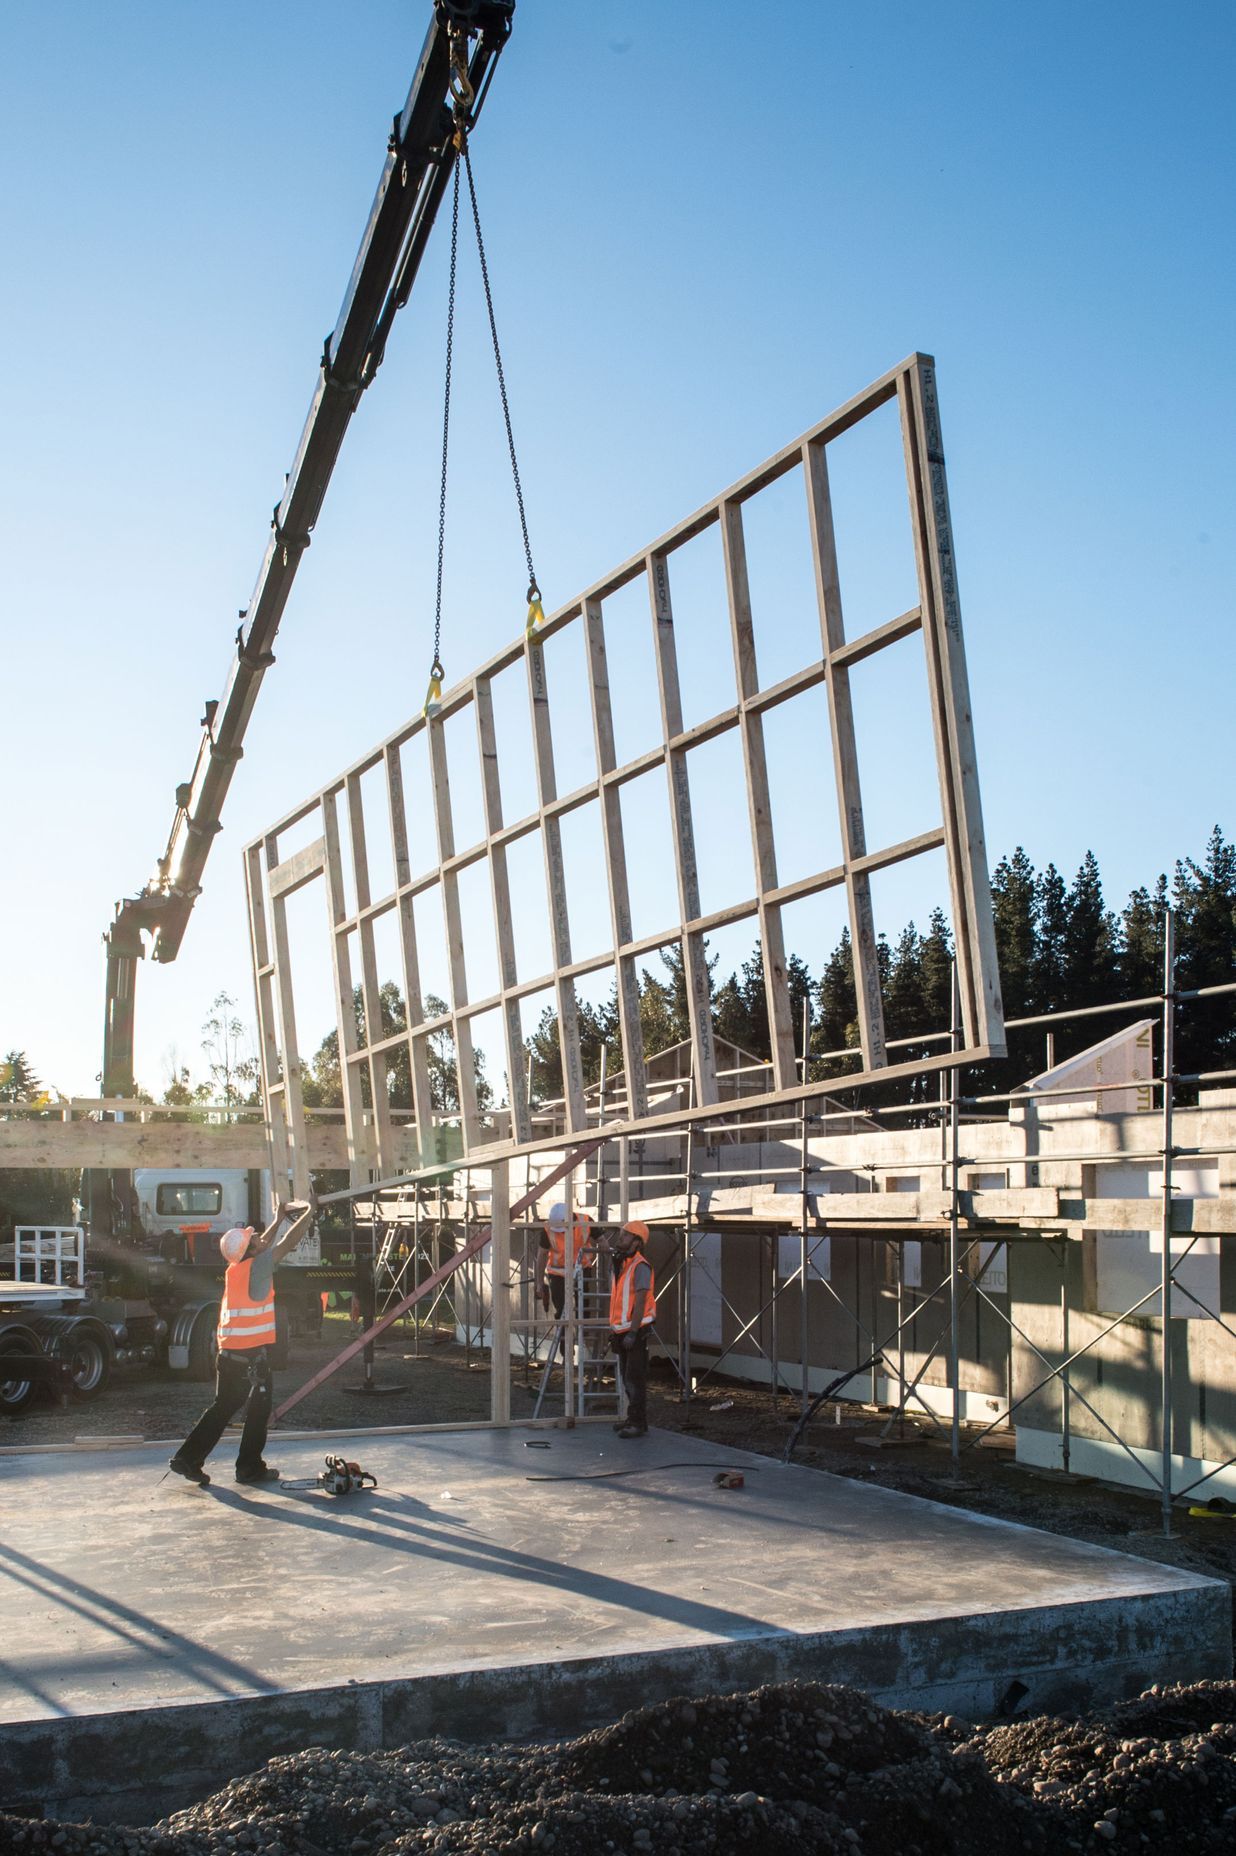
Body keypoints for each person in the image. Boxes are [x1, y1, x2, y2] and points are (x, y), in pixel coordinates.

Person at [168, 1196, 314, 1487]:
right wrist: (309, 1213)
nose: (259, 1237)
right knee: (258, 1411)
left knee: (223, 1406)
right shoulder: (258, 1268)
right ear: (251, 1250)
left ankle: (187, 1458)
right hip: (250, 1359)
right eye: (254, 1238)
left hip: (229, 1354)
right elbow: (287, 1244)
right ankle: (249, 1468)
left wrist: (279, 1216)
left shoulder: (238, 1268)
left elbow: (265, 1243)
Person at [607, 1219, 656, 1439]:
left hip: (635, 1331)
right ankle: (634, 1420)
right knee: (627, 1378)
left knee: (634, 1379)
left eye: (626, 1235)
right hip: (623, 1331)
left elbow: (641, 1301)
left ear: (637, 1243)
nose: (621, 1238)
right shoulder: (624, 1265)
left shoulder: (640, 1266)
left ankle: (637, 1423)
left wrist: (634, 1332)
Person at [534, 1201, 596, 1321]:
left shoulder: (585, 1221)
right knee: (561, 1309)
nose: (560, 1232)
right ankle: (563, 1338)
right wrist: (539, 1283)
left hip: (581, 1269)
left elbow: (602, 1240)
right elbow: (541, 1256)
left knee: (582, 1307)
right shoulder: (548, 1229)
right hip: (558, 1273)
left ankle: (582, 1336)